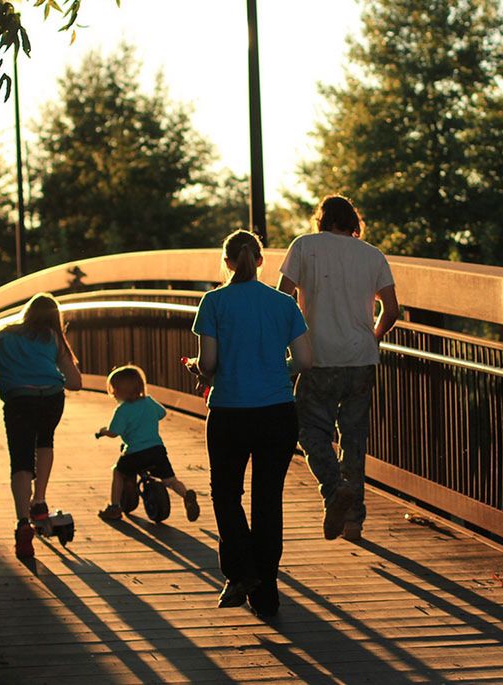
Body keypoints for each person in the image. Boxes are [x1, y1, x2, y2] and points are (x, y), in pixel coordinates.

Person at [185, 229, 312, 618]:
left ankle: (240, 572)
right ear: (260, 261)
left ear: (226, 262)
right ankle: (267, 591)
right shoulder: (283, 304)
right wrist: (276, 366)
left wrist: (198, 370)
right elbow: (305, 362)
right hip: (277, 411)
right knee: (267, 500)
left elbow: (208, 364)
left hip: (230, 412)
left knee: (226, 494)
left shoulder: (213, 302)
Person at [278, 195, 399, 542]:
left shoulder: (304, 247)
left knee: (309, 430)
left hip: (319, 357)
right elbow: (391, 310)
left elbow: (282, 298)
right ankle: (354, 523)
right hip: (361, 359)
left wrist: (290, 342)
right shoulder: (373, 255)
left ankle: (334, 489)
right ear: (353, 223)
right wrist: (373, 338)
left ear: (321, 220)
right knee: (354, 438)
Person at [0, 293, 83, 559]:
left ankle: (23, 522)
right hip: (50, 398)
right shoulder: (52, 337)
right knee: (45, 441)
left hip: (18, 399)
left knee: (21, 460)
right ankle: (40, 500)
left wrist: (1, 379)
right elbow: (75, 382)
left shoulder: (3, 334)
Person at [95, 364, 200, 522]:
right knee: (170, 480)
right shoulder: (148, 401)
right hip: (157, 451)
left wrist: (103, 431)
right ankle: (186, 495)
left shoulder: (122, 410)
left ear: (117, 391)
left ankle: (114, 507)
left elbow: (114, 432)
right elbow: (162, 413)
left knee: (118, 471)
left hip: (135, 453)